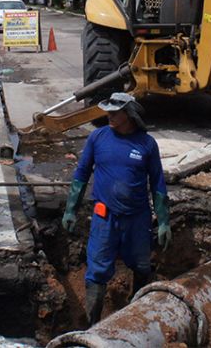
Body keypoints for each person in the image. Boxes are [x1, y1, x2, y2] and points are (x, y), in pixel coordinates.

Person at [61, 92, 171, 325]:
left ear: (129, 113)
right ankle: (93, 325)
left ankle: (136, 318)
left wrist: (163, 222)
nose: (109, 116)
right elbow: (81, 175)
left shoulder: (146, 144)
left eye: (114, 112)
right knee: (98, 271)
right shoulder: (98, 138)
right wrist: (71, 209)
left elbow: (158, 184)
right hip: (105, 217)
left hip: (137, 218)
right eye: (108, 111)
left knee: (141, 265)